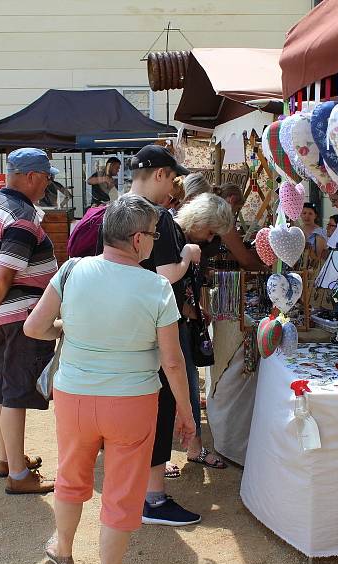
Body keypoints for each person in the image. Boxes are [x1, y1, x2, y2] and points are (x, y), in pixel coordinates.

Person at [23, 194, 195, 564]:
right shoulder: (156, 287)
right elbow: (172, 363)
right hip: (132, 400)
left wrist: (65, 329)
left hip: (75, 395)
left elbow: (35, 327)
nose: (154, 242)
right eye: (153, 235)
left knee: (71, 474)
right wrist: (186, 413)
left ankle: (63, 552)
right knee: (122, 492)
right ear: (137, 240)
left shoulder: (70, 271)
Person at [113, 144, 205, 527]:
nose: (173, 187)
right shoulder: (158, 218)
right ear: (161, 174)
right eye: (172, 177)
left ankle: (136, 490)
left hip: (121, 325)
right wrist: (188, 256)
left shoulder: (113, 212)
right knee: (162, 404)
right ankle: (153, 497)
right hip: (156, 325)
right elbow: (166, 276)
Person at [0, 148, 58, 495]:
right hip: (21, 315)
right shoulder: (21, 215)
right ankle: (18, 476)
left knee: (2, 387)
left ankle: (9, 458)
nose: (47, 184)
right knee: (16, 393)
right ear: (32, 176)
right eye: (46, 177)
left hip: (2, 315)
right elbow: (6, 271)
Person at [172, 193, 234, 470]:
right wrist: (190, 309)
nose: (210, 239)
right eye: (210, 231)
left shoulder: (184, 238)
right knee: (177, 387)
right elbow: (165, 286)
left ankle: (193, 447)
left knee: (187, 384)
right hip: (170, 324)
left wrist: (195, 308)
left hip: (181, 322)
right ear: (200, 220)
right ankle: (171, 455)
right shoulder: (172, 236)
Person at [202, 182, 266, 270]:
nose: (235, 213)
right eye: (237, 209)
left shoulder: (209, 210)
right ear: (232, 200)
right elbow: (246, 260)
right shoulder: (222, 218)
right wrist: (269, 273)